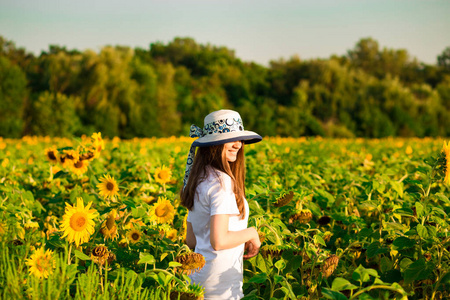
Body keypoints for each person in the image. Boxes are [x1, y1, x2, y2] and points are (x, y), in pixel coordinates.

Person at [180, 109, 262, 300]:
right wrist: (252, 233)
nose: (238, 145)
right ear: (214, 144)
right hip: (220, 287)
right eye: (230, 139)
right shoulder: (222, 182)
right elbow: (219, 241)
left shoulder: (199, 179)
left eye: (240, 139)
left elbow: (191, 240)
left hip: (197, 279)